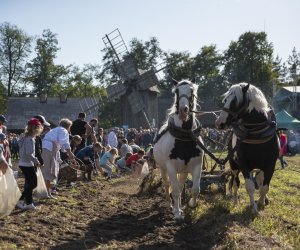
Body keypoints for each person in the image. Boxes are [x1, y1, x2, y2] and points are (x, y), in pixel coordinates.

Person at [42, 118, 75, 198]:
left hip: (48, 149)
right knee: (49, 171)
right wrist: (70, 153)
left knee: (49, 170)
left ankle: (48, 192)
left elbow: (60, 147)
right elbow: (65, 142)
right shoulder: (63, 130)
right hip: (50, 149)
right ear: (68, 126)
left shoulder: (55, 130)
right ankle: (47, 193)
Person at [17, 118, 43, 210]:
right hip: (27, 164)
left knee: (29, 184)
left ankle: (29, 203)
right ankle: (20, 200)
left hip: (23, 163)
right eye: (39, 127)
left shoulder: (23, 136)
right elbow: (29, 153)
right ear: (35, 128)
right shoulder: (30, 139)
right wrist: (37, 162)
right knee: (33, 184)